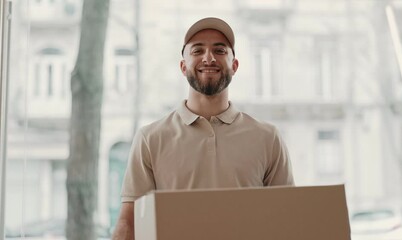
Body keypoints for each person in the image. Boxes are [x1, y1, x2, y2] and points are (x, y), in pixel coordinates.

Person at [112, 17, 294, 239]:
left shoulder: (268, 138)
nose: (209, 58)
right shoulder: (151, 139)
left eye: (219, 50)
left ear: (234, 66)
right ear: (183, 66)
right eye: (198, 51)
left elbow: (286, 221)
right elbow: (129, 224)